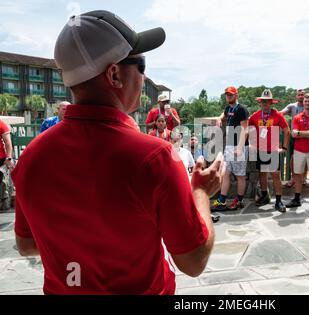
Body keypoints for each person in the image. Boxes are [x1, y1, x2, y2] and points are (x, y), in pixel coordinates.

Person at [12, 10, 223, 295]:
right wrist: (200, 193)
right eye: (141, 64)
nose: (144, 75)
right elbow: (193, 260)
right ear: (114, 74)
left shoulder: (31, 157)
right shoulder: (155, 157)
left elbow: (26, 244)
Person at [248, 89, 290, 212]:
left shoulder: (277, 115)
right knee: (262, 173)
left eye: (268, 102)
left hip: (273, 149)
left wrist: (285, 147)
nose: (265, 104)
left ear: (271, 103)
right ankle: (265, 195)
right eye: (263, 102)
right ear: (260, 103)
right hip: (260, 149)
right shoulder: (255, 116)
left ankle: (278, 200)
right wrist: (251, 144)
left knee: (276, 175)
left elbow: (286, 130)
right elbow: (249, 130)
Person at [212, 86, 249, 211]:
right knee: (225, 173)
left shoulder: (242, 109)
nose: (229, 96)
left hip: (239, 146)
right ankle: (222, 201)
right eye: (227, 95)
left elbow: (245, 129)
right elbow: (224, 114)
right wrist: (219, 118)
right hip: (228, 146)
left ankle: (239, 201)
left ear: (236, 95)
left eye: (231, 95)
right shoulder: (228, 108)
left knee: (240, 176)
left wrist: (239, 147)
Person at [287, 93, 309, 212]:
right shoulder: (297, 117)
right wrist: (308, 133)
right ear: (303, 103)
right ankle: (297, 198)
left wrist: (300, 133)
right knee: (297, 175)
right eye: (306, 101)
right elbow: (293, 133)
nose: (307, 103)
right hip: (299, 150)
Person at [280, 89, 305, 188]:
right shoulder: (292, 106)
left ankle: (303, 178)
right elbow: (281, 113)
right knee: (292, 157)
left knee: (305, 158)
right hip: (294, 135)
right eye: (299, 95)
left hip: (306, 135)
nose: (301, 96)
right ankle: (293, 177)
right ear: (296, 96)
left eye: (302, 94)